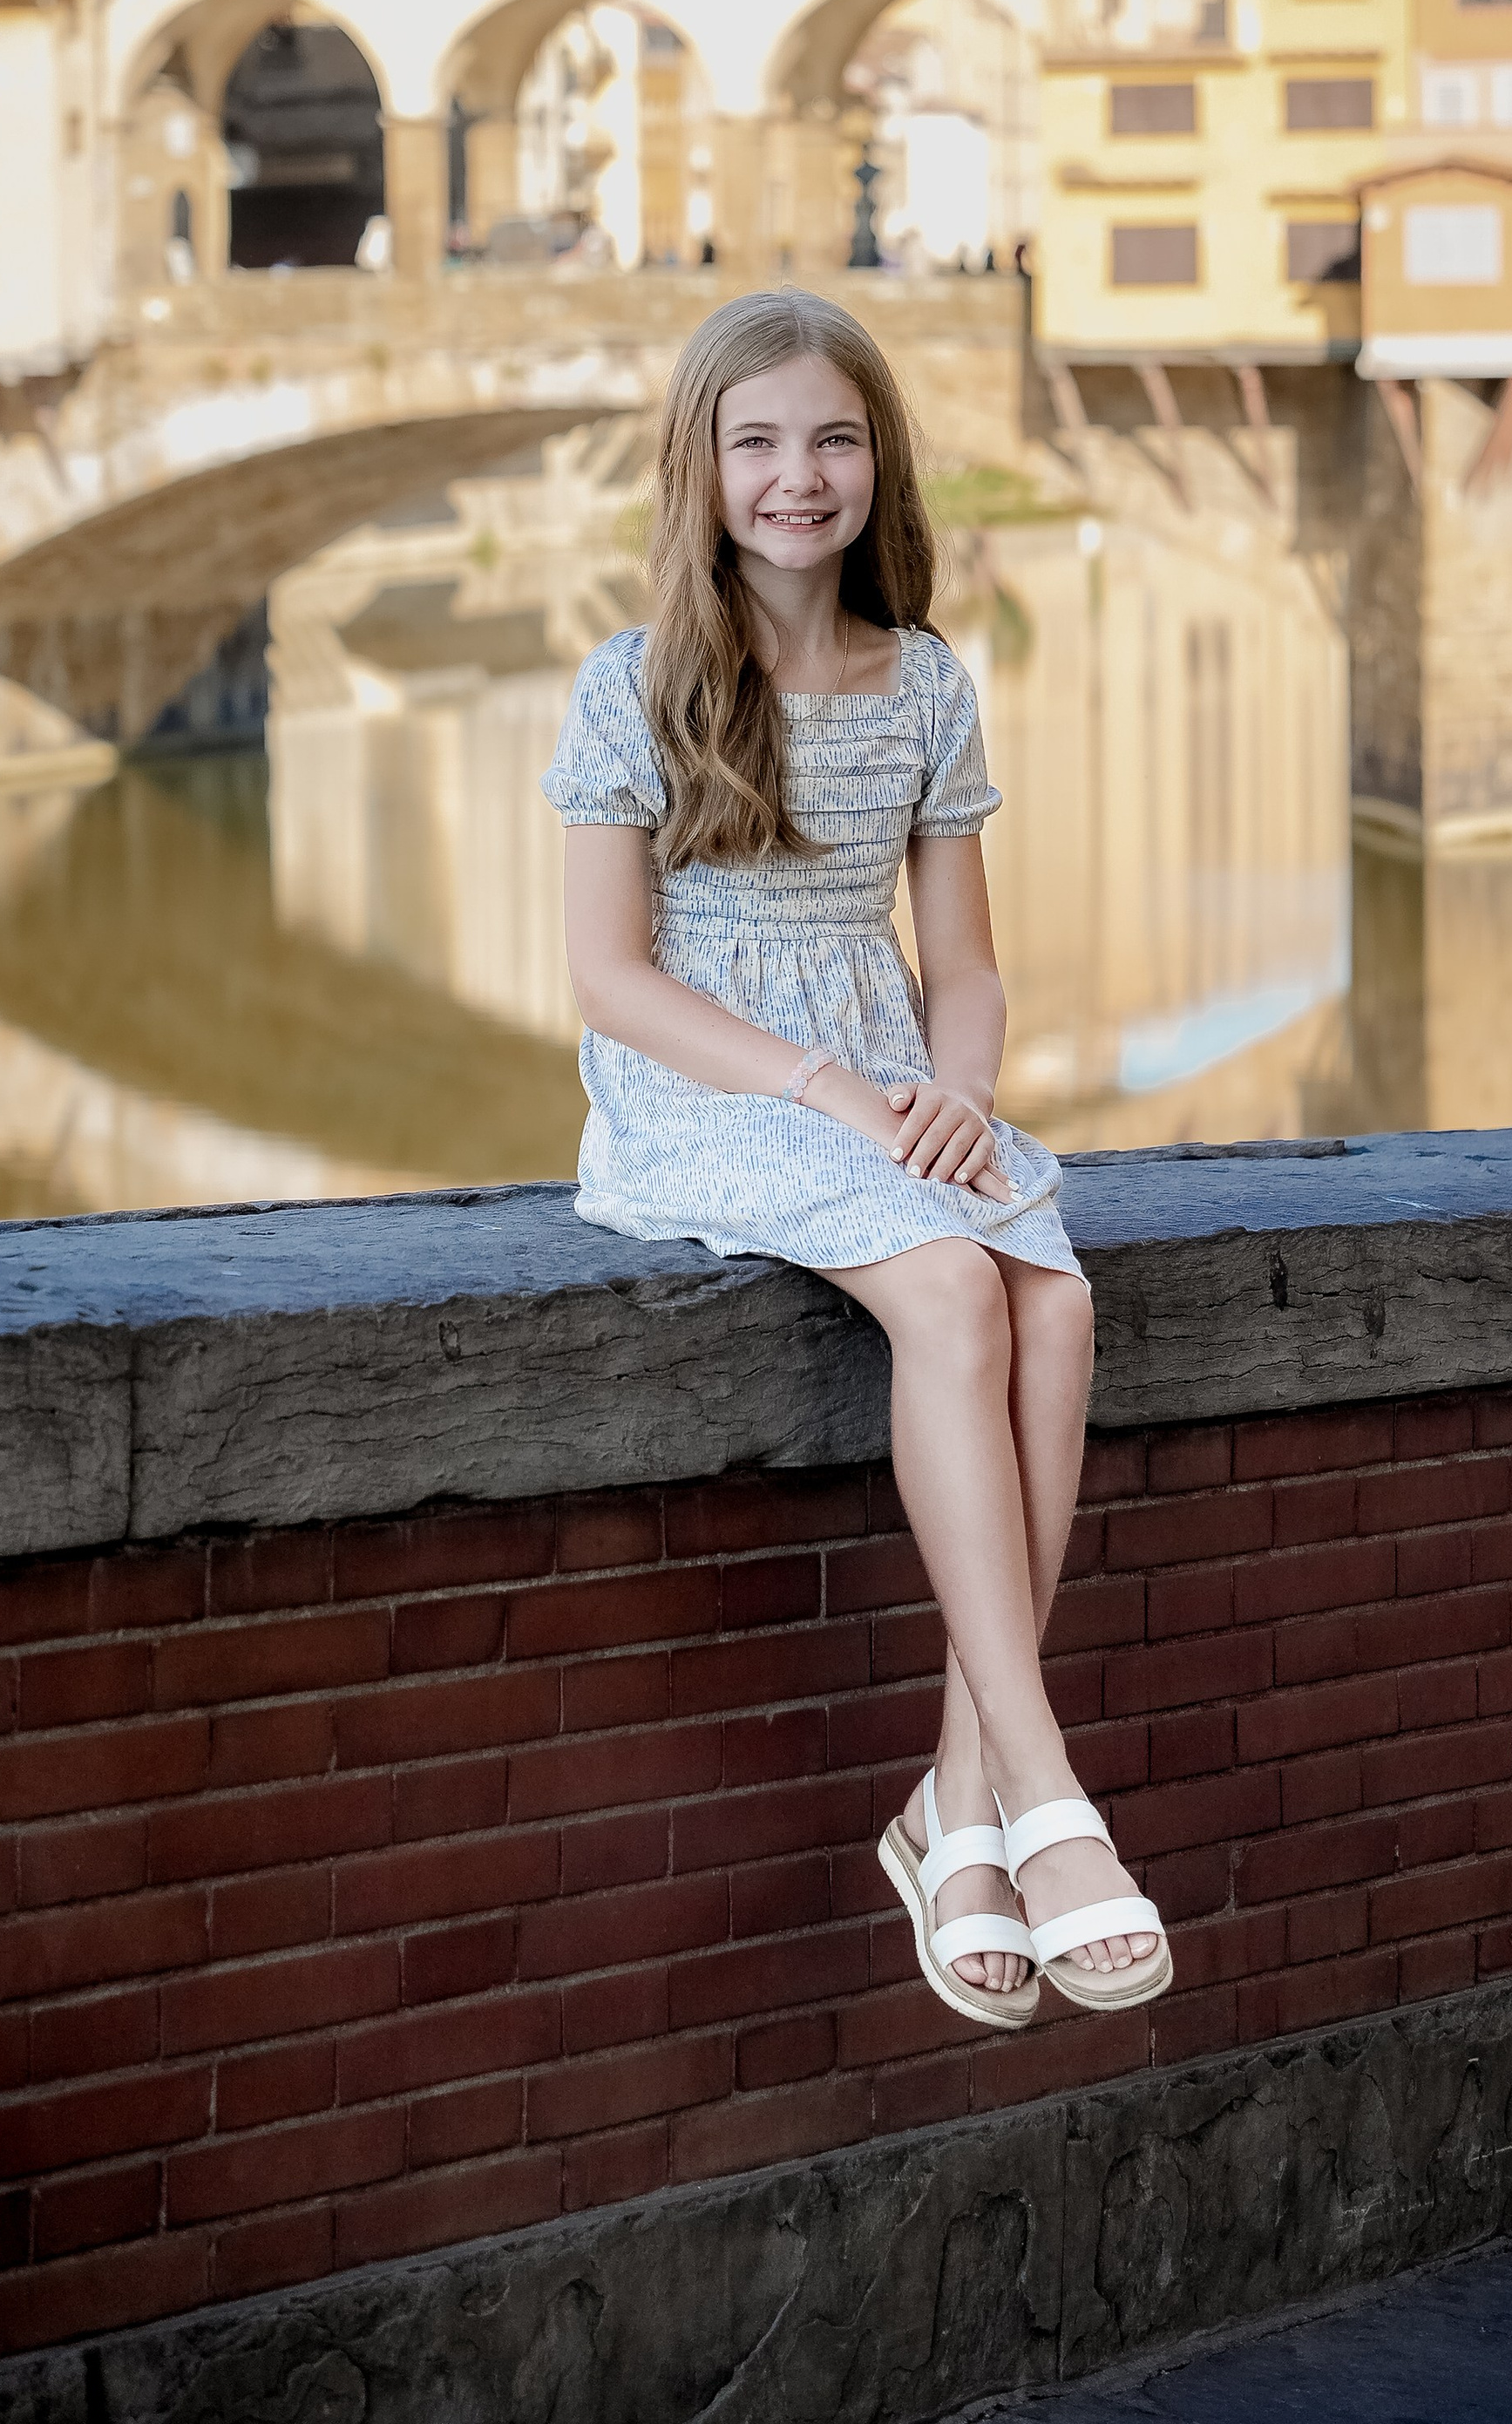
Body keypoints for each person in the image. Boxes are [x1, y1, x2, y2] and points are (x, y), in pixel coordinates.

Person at [543, 289, 1169, 2032]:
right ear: (700, 467)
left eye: (829, 438)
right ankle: (1035, 1796)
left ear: (873, 460)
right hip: (709, 1091)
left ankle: (952, 1810)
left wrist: (954, 1093)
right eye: (755, 442)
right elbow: (608, 979)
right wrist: (828, 1088)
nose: (794, 477)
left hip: (886, 1089)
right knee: (958, 1291)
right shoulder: (636, 682)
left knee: (1055, 1293)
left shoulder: (926, 684)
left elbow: (960, 965)